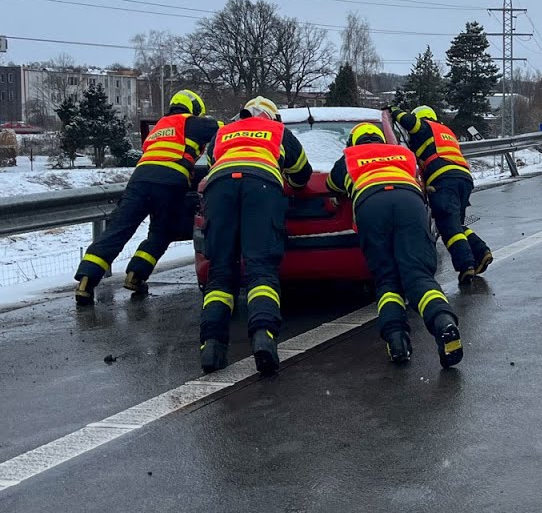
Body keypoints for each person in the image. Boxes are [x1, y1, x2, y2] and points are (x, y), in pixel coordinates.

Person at [326, 122, 463, 368]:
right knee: (418, 274)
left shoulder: (350, 156)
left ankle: (397, 340)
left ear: (353, 142)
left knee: (387, 279)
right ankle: (443, 322)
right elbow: (417, 177)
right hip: (408, 201)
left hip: (371, 204)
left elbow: (332, 185)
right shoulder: (402, 152)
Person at [73, 90, 220, 306]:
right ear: (194, 109)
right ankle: (136, 276)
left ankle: (86, 281)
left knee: (118, 229)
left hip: (139, 181)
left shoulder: (159, 127)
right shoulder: (191, 122)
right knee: (162, 232)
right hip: (170, 183)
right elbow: (228, 131)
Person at [198, 96, 311, 374]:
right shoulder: (278, 131)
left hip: (220, 188)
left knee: (221, 271)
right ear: (272, 117)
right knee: (261, 268)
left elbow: (214, 162)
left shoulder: (223, 132)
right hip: (261, 187)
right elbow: (301, 174)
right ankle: (263, 337)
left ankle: (211, 347)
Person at [388, 105, 492, 284]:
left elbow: (409, 122)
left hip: (443, 179)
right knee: (455, 223)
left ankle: (466, 265)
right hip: (463, 178)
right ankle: (481, 251)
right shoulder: (445, 130)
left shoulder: (425, 127)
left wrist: (394, 111)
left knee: (447, 224)